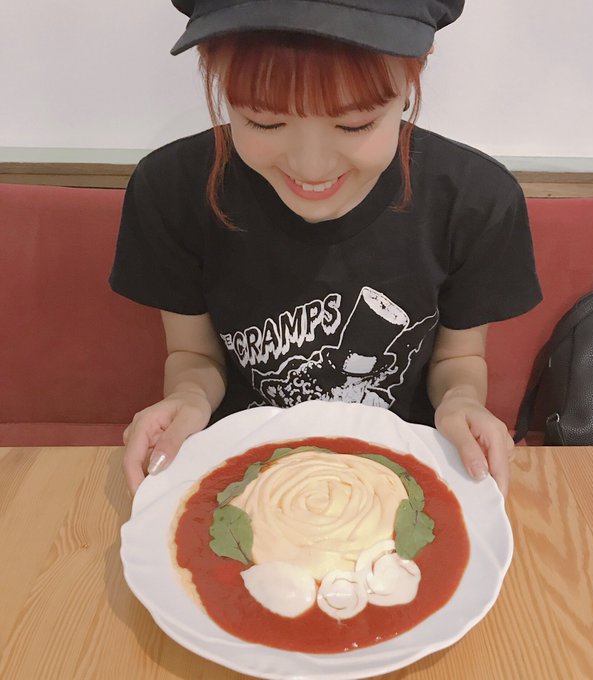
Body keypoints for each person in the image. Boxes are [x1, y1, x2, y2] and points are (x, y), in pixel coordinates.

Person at [110, 0, 542, 498]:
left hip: (402, 480)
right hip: (243, 480)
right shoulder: (173, 189)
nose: (310, 168)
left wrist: (461, 401)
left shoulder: (473, 200)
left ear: (413, 76)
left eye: (355, 124)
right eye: (263, 122)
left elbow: (458, 359)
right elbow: (193, 353)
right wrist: (188, 396)